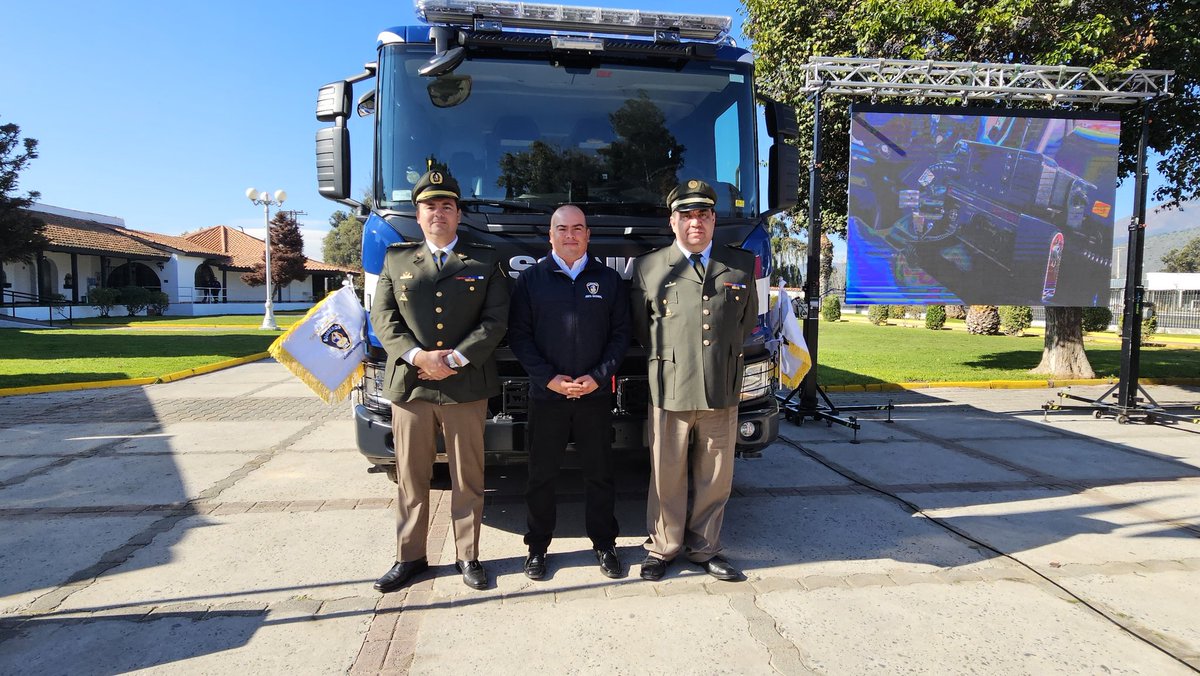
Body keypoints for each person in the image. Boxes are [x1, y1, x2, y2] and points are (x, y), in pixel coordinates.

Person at [369, 169, 510, 592]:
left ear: (458, 214)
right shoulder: (396, 260)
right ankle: (409, 557)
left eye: (447, 206)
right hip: (411, 385)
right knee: (412, 476)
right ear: (418, 213)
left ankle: (468, 555)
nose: (438, 213)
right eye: (431, 206)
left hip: (465, 384)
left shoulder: (485, 260)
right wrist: (418, 356)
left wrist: (456, 358)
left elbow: (496, 320)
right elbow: (383, 317)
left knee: (469, 476)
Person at [629, 179, 758, 582]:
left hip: (720, 384)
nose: (695, 222)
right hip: (670, 386)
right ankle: (662, 548)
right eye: (687, 215)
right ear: (673, 221)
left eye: (703, 214)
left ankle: (705, 548)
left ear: (714, 219)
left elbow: (746, 322)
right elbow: (641, 328)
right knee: (666, 473)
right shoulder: (651, 267)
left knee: (715, 476)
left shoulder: (737, 266)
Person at [508, 205, 631, 581]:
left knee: (600, 474)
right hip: (547, 397)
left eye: (578, 228)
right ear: (550, 235)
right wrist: (550, 379)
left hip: (594, 396)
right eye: (562, 229)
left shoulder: (609, 280)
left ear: (588, 235)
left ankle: (604, 544)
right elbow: (520, 337)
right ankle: (537, 547)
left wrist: (597, 377)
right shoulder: (530, 280)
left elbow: (620, 336)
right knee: (541, 476)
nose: (571, 235)